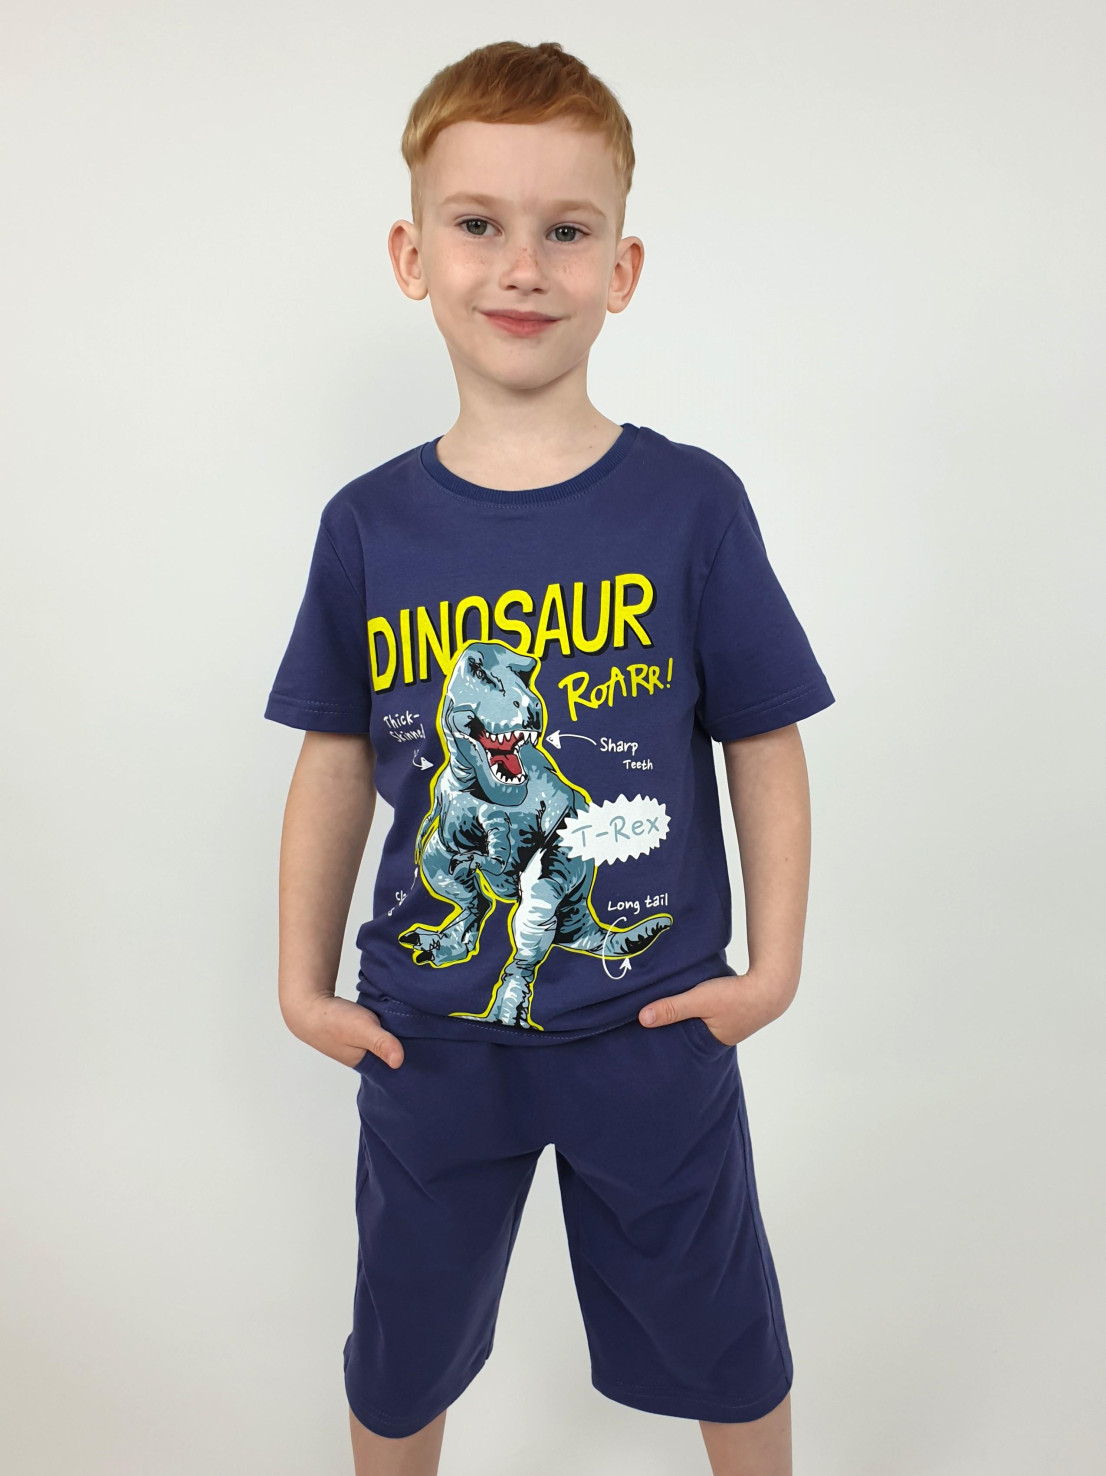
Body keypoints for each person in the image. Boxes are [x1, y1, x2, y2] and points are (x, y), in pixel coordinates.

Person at [264, 38, 834, 1476]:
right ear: (414, 255)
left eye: (566, 231)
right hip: (430, 1032)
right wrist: (300, 984)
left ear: (620, 268)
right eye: (479, 223)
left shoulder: (691, 506)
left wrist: (770, 971)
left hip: (650, 1021)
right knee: (400, 1344)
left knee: (722, 1328)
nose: (522, 266)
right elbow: (335, 758)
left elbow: (761, 736)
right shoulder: (369, 526)